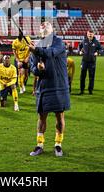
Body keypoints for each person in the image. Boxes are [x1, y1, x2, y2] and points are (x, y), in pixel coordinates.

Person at [28, 22, 70, 157]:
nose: (44, 25)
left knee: (59, 116)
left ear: (52, 29)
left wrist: (36, 50)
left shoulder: (58, 42)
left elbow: (51, 53)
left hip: (59, 85)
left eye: (47, 24)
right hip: (44, 86)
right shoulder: (36, 46)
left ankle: (58, 144)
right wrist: (39, 70)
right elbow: (33, 68)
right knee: (42, 117)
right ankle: (39, 145)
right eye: (41, 25)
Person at [77, 31, 103, 95]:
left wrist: (98, 52)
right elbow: (79, 46)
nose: (89, 35)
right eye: (88, 34)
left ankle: (90, 90)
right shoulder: (84, 41)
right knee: (82, 76)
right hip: (84, 61)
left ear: (93, 34)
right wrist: (79, 51)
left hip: (92, 62)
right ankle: (82, 90)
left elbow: (101, 50)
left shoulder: (96, 42)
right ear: (87, 34)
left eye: (91, 34)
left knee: (91, 77)